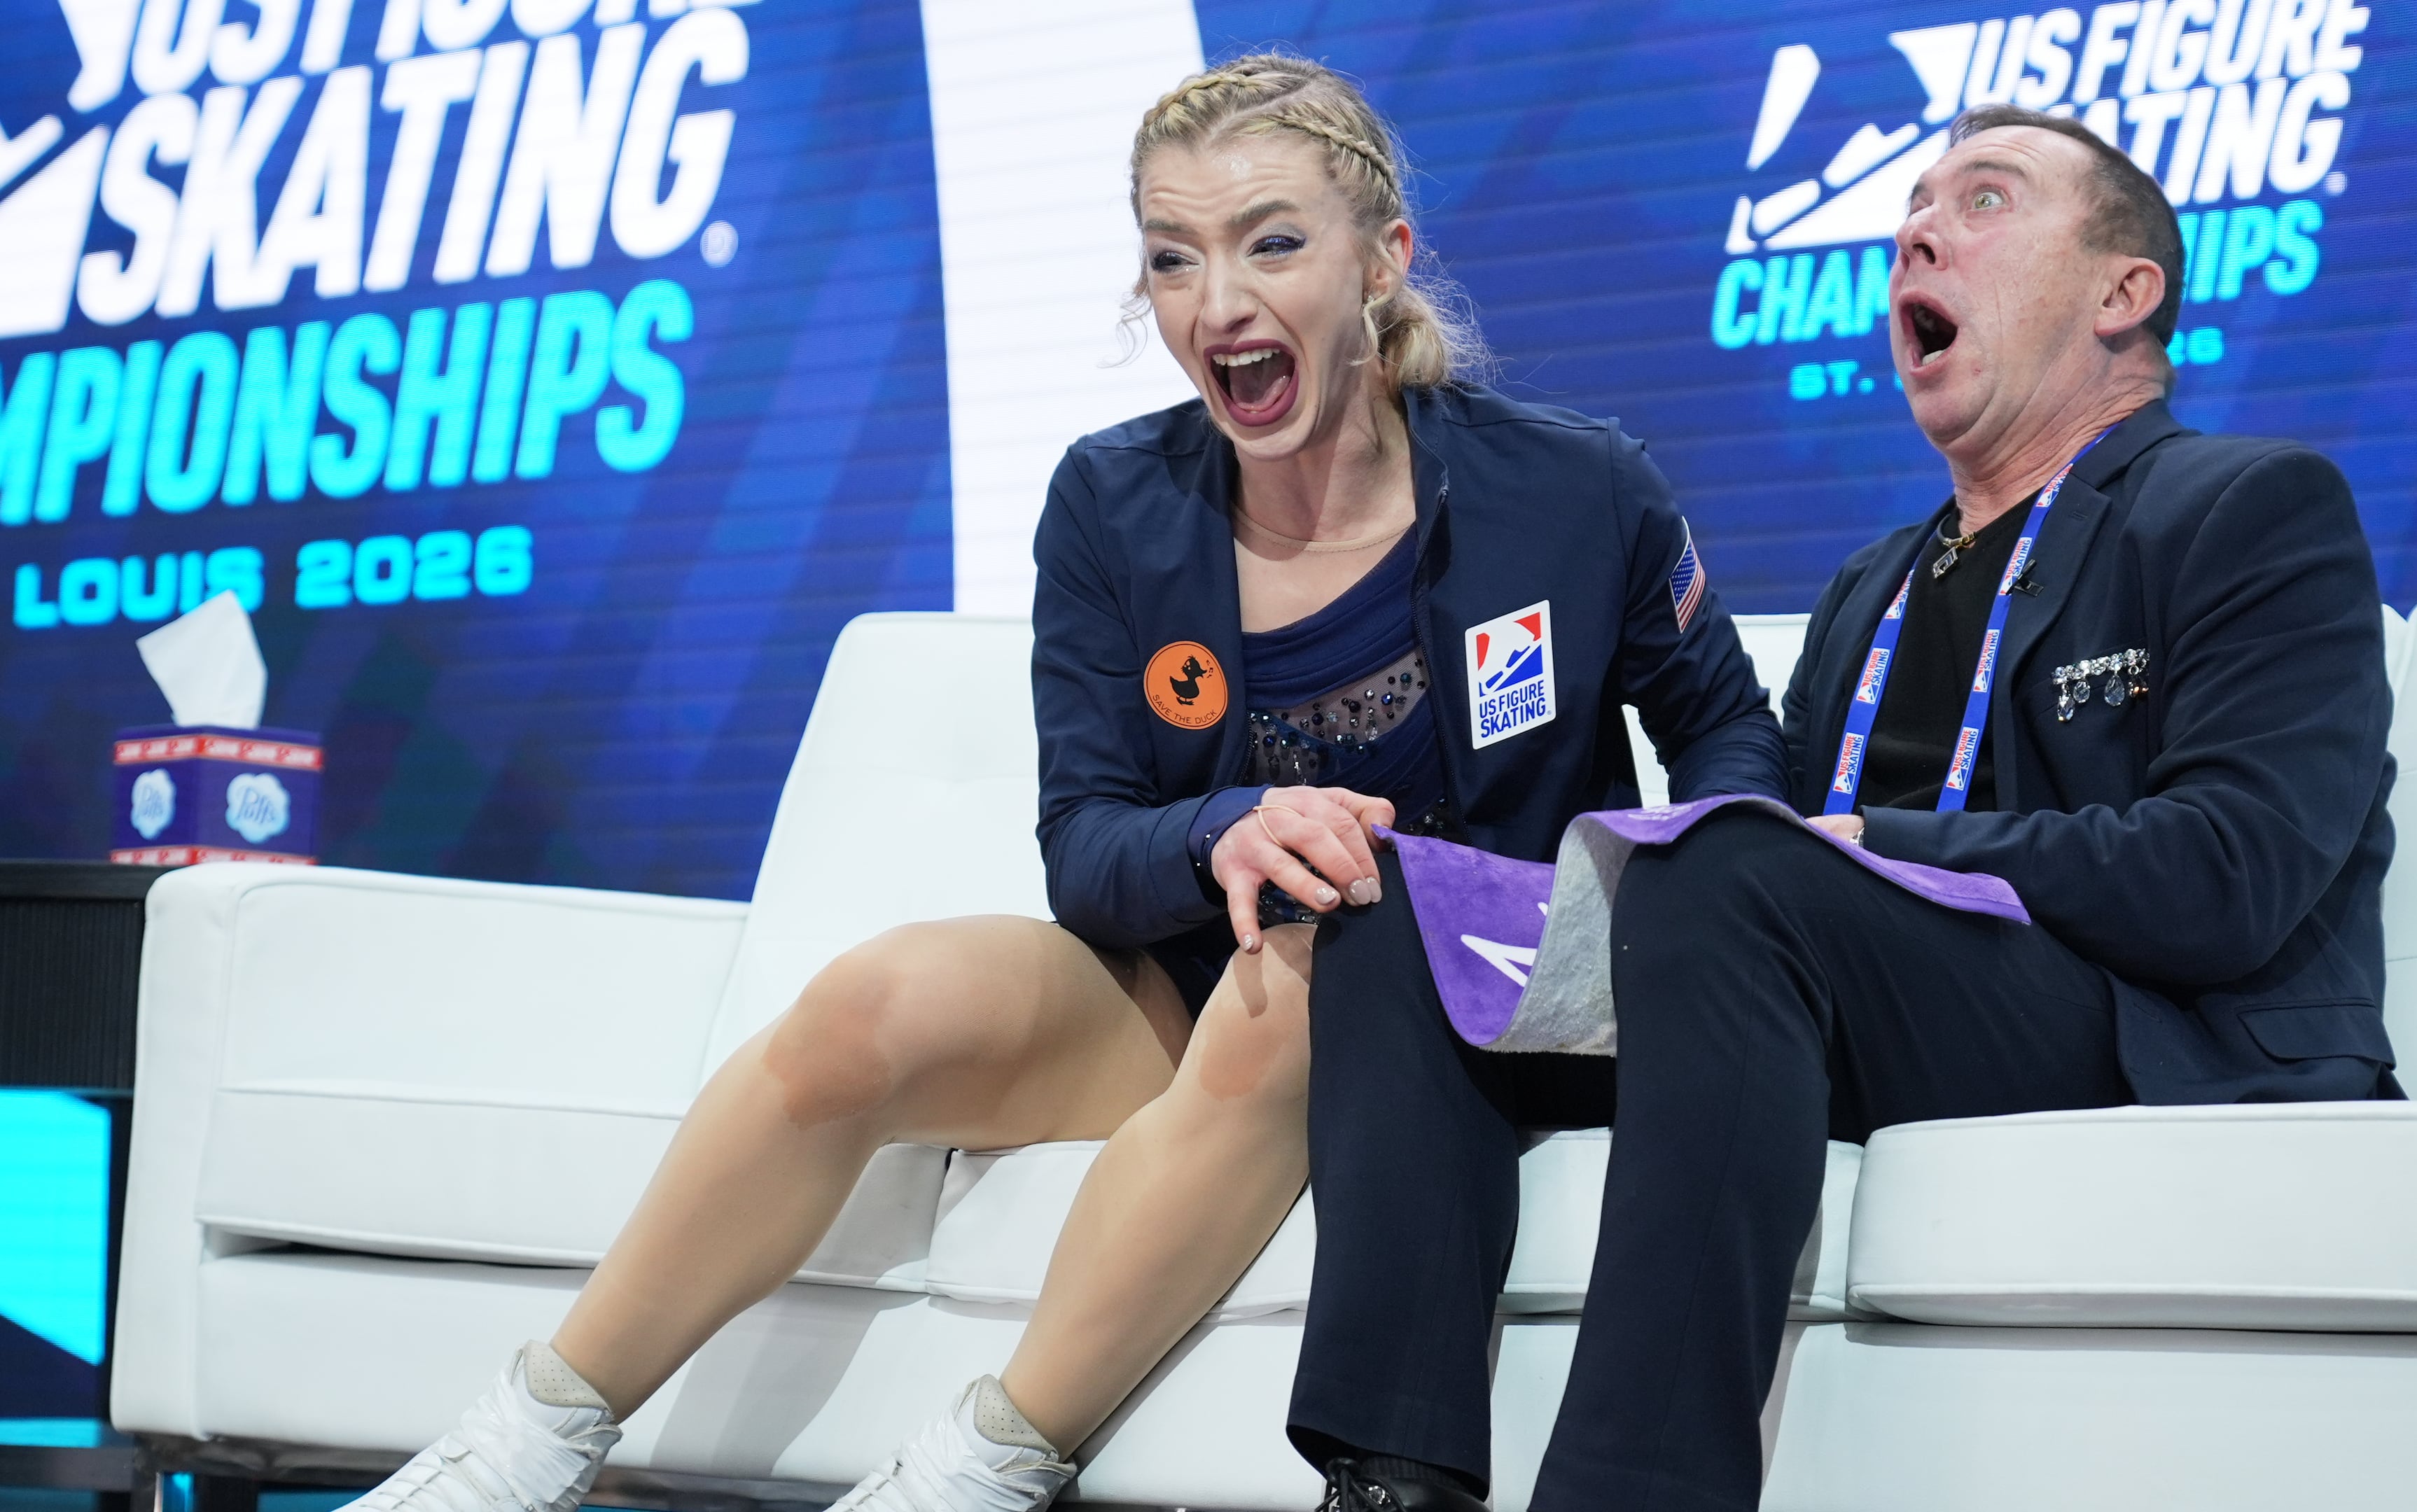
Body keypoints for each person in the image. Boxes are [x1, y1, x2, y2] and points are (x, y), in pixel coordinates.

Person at [340, 54, 1785, 1512]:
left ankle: (979, 1466)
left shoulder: (1578, 485)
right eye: (1173, 258)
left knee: (1307, 965)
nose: (1218, 302)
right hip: (1185, 1001)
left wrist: (1638, 926)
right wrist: (1228, 826)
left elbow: (1732, 739)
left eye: (1272, 242)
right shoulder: (1113, 500)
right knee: (870, 1009)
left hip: (1473, 1001)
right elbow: (1086, 843)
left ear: (1383, 264)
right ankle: (527, 1442)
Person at [1289, 102, 2403, 1512]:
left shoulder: (2248, 506)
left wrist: (1880, 847)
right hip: (1838, 1002)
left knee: (1732, 871)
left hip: (2134, 1021)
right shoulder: (1871, 584)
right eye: (1910, 213)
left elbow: (2230, 871)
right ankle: (1392, 1485)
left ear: (2129, 295)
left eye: (1984, 202)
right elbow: (1775, 873)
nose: (1918, 232)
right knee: (1402, 915)